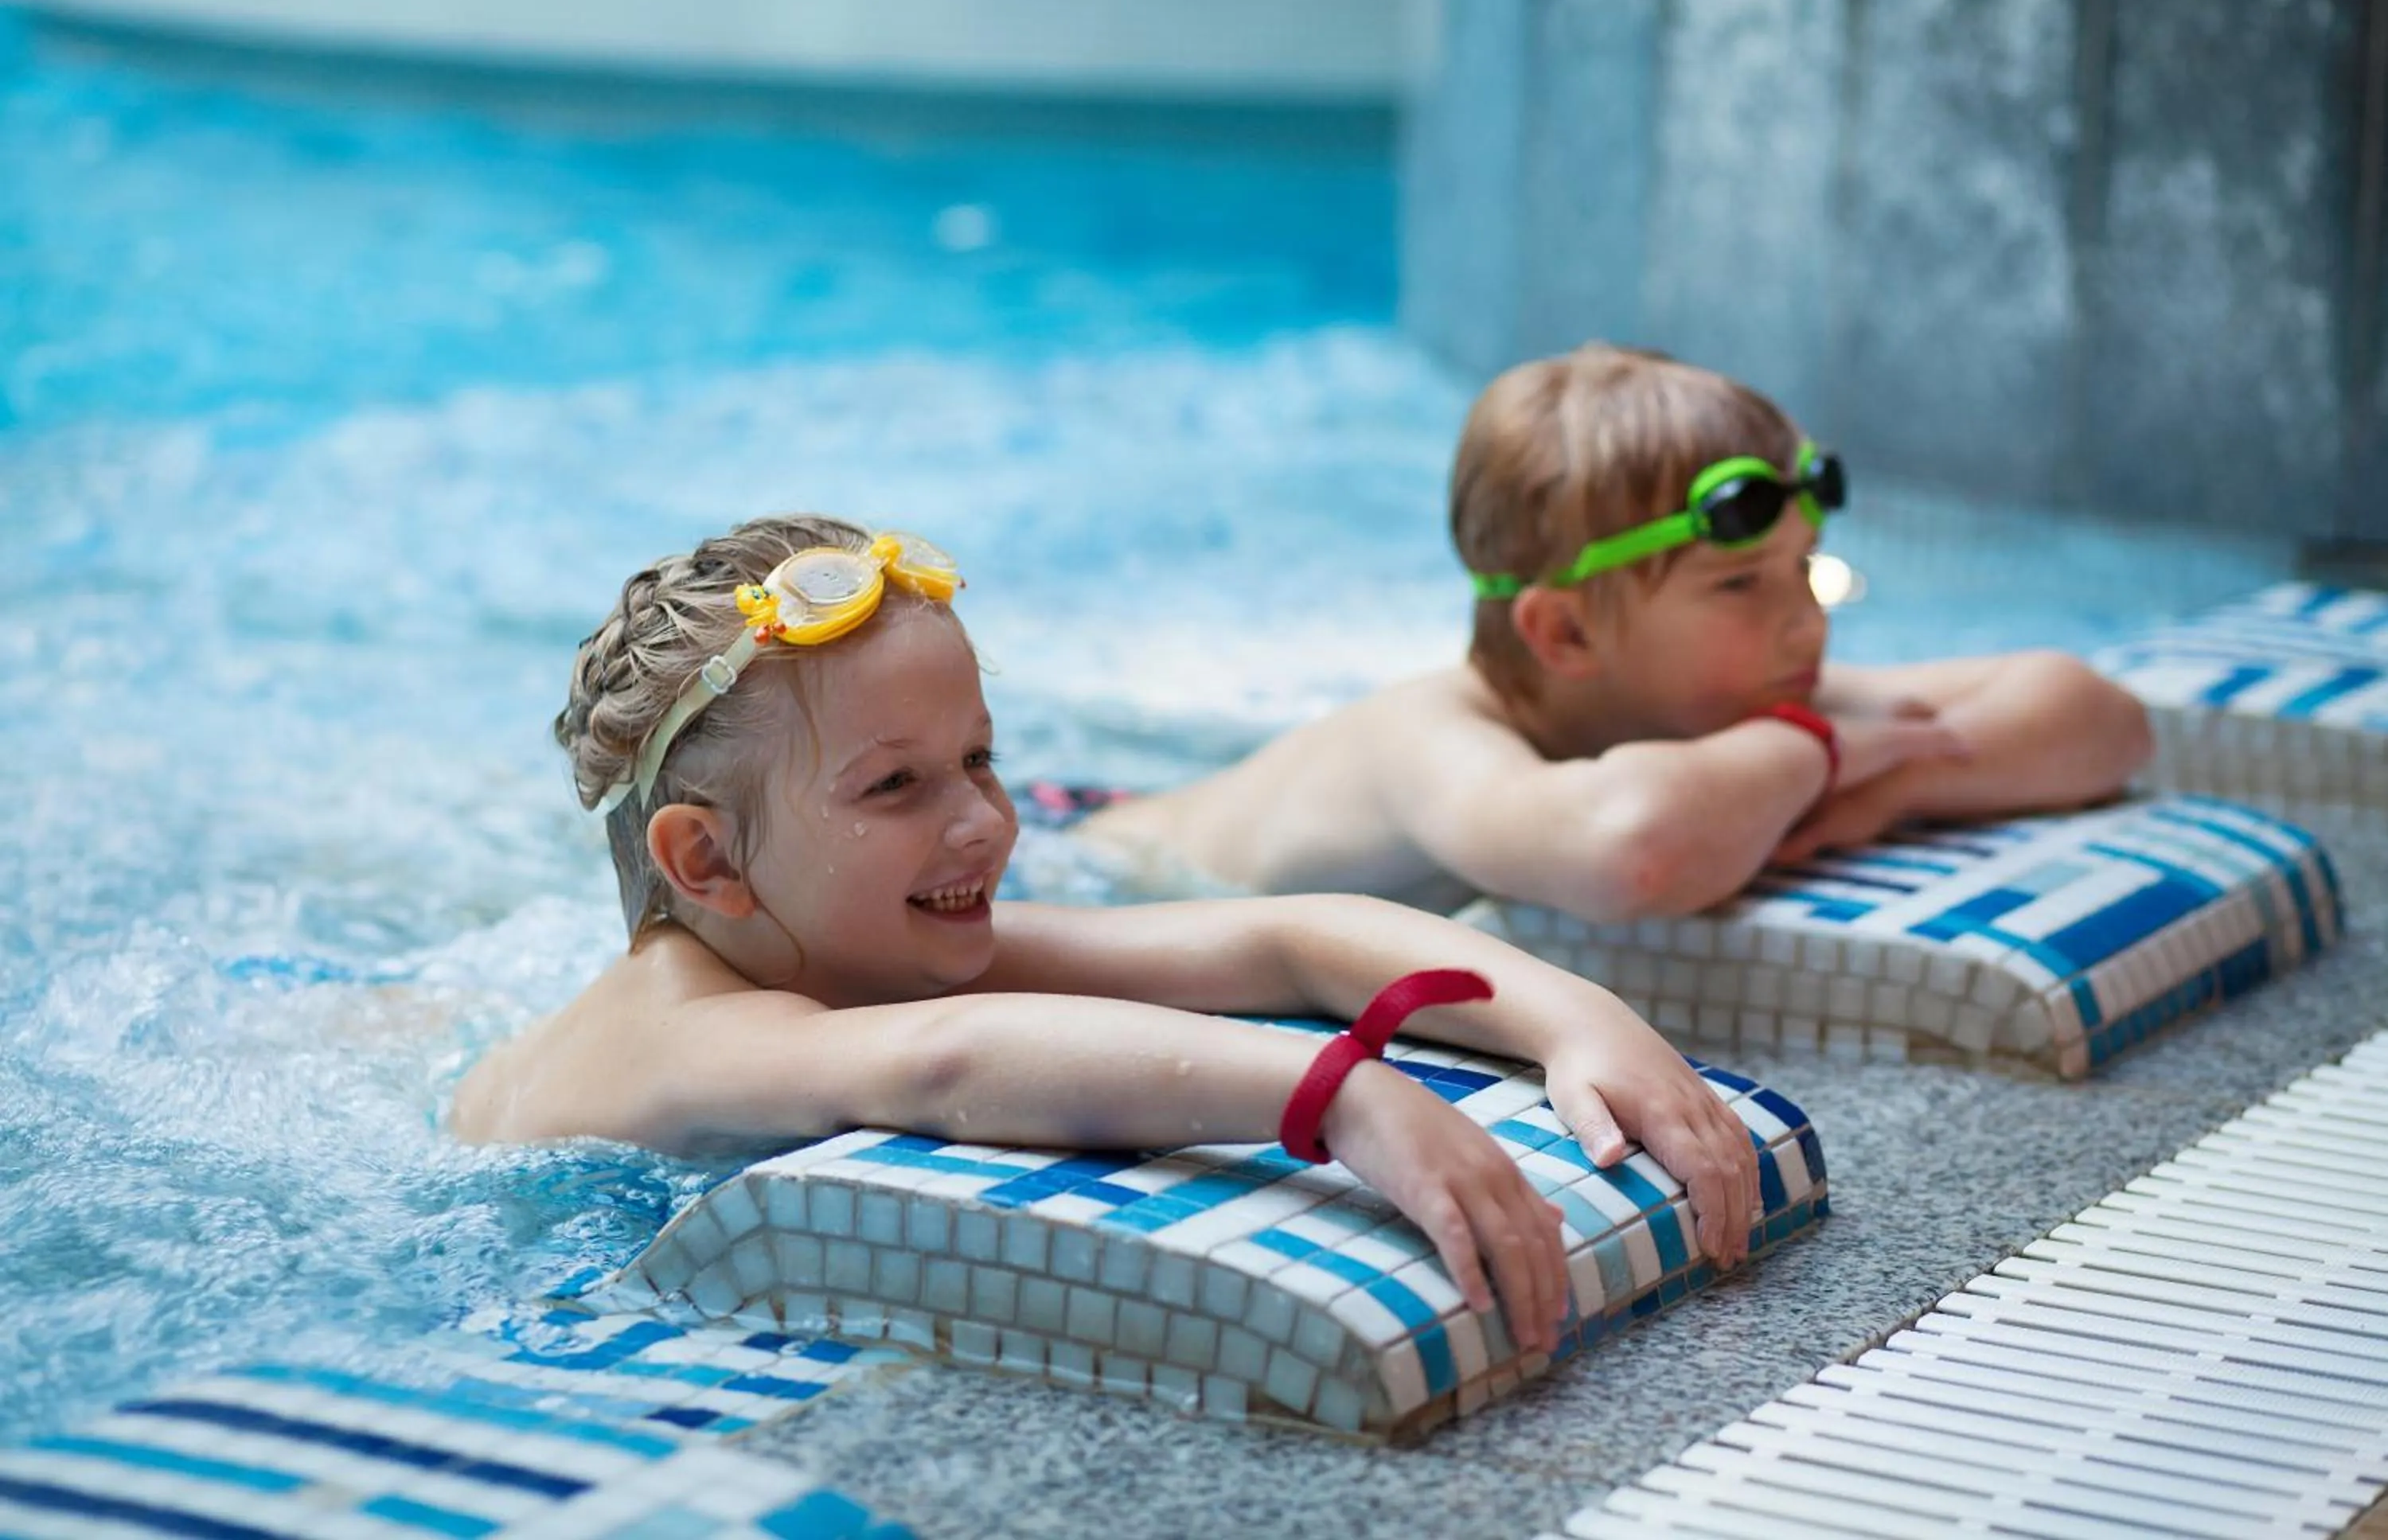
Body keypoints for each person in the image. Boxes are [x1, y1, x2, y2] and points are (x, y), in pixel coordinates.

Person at [449, 514, 1762, 1358]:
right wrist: (1337, 1094)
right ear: (708, 860)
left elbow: (1289, 941)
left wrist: (1577, 1022)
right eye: (895, 787)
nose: (982, 824)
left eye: (979, 758)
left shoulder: (857, 935)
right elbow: (945, 1066)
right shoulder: (691, 1037)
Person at [1078, 342, 2154, 920]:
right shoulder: (1422, 741)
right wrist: (1825, 751)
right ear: (1564, 634)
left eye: (1803, 571)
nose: (1803, 615)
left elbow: (2098, 718)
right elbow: (1629, 856)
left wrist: (1903, 782)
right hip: (1109, 876)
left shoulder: (1731, 683)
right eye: (1741, 586)